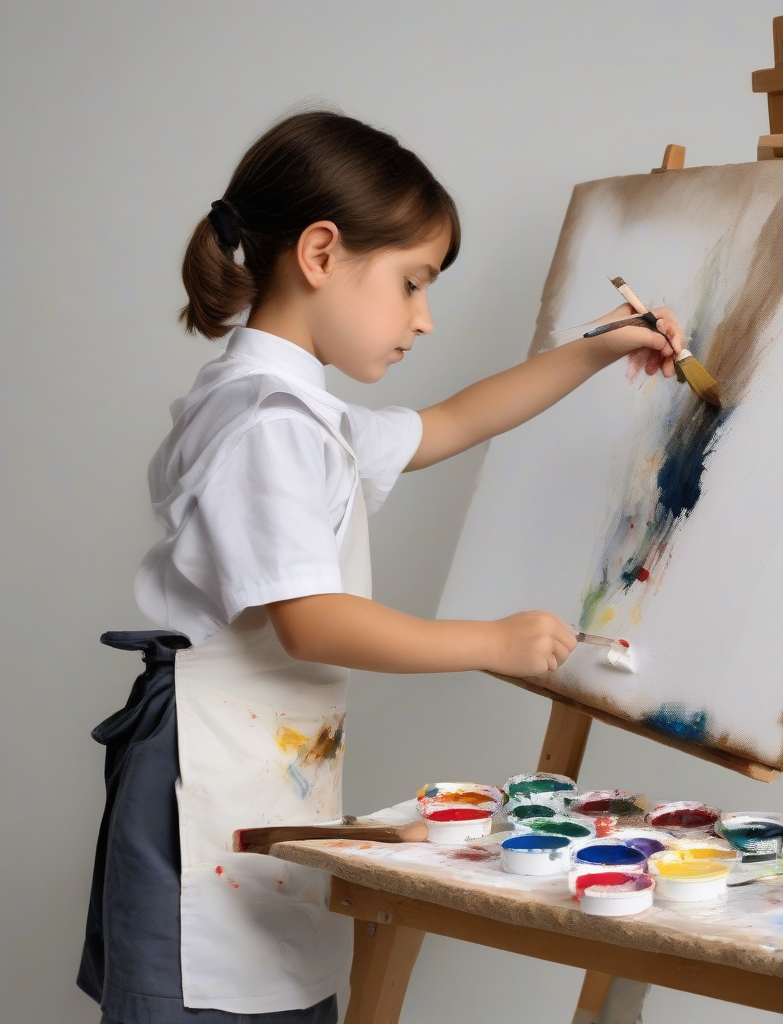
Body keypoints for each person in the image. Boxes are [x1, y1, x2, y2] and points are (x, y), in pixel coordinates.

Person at [78, 109, 683, 1024]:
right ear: (320, 254)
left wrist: (600, 348)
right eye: (412, 284)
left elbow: (450, 423)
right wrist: (488, 642)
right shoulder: (270, 427)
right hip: (198, 770)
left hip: (235, 755)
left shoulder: (286, 407)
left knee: (264, 985)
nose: (425, 319)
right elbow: (311, 620)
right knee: (207, 1000)